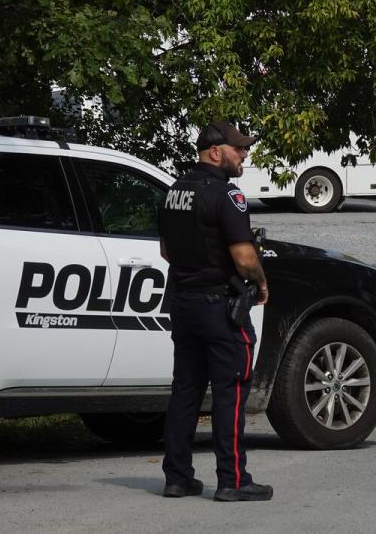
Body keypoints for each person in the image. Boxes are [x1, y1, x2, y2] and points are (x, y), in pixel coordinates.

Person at [158, 120, 273, 502]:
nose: (244, 155)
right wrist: (260, 282)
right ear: (215, 152)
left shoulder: (175, 191)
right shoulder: (227, 195)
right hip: (219, 308)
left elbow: (166, 252)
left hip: (184, 305)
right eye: (238, 149)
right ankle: (233, 480)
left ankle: (177, 478)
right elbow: (243, 255)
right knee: (230, 393)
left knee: (185, 391)